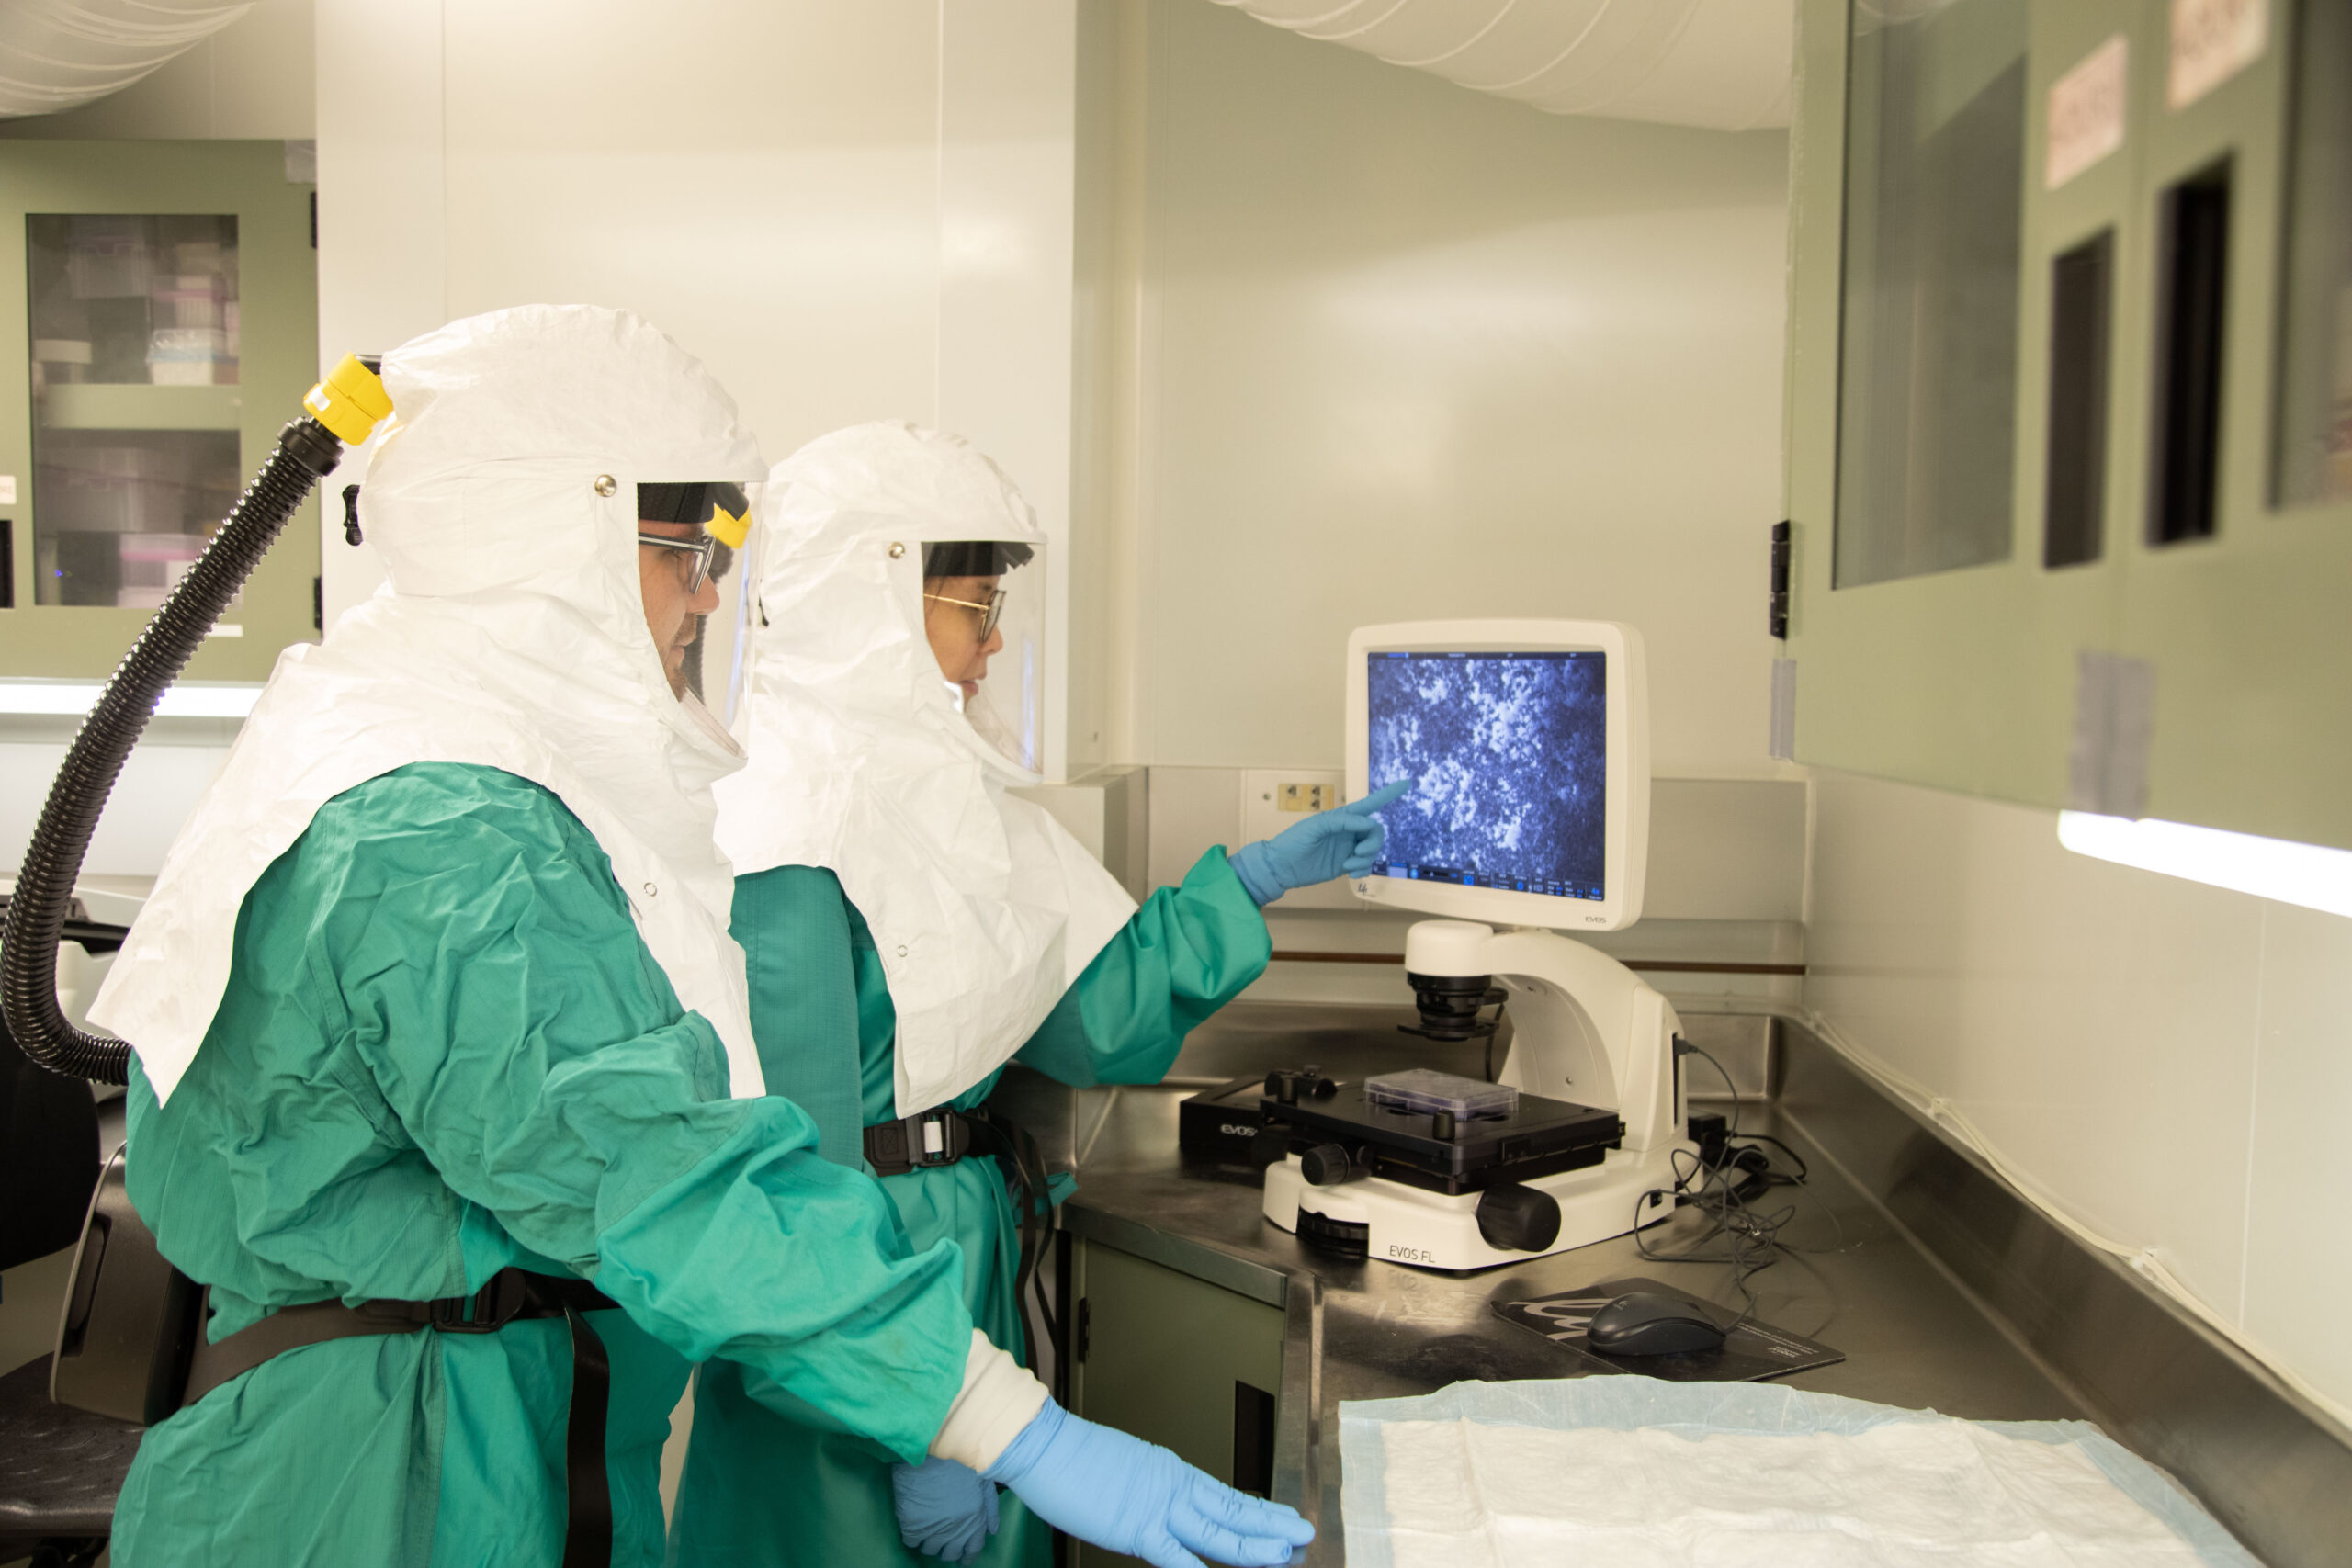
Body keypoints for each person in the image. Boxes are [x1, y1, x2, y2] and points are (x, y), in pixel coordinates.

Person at [86, 310, 1313, 1568]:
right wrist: (1006, 1424)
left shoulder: (428, 760)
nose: (713, 593)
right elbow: (664, 1183)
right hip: (388, 1474)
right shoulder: (444, 831)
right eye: (687, 548)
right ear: (556, 536)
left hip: (464, 1428)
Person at [669, 422, 1406, 1567]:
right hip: (856, 1322)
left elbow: (1084, 1014)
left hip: (957, 1266)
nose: (995, 642)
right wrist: (917, 1428)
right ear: (876, 600)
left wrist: (1250, 883)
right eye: (974, 606)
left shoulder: (945, 798)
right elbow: (795, 1189)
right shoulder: (782, 832)